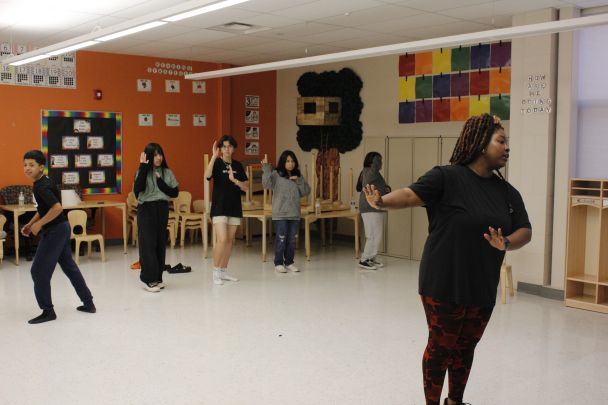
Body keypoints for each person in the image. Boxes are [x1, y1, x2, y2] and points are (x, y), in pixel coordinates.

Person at [363, 114, 532, 405]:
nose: (507, 148)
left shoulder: (506, 192)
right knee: (442, 348)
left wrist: (505, 242)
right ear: (481, 143)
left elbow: (525, 231)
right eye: (501, 141)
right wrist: (381, 202)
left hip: (482, 285)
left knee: (466, 347)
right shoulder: (446, 176)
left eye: (507, 143)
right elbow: (408, 195)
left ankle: (454, 401)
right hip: (443, 282)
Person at [21, 150, 96, 324]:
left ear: (41, 167)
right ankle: (88, 302)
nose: (27, 168)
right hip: (62, 228)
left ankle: (48, 312)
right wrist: (32, 223)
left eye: (31, 165)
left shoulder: (41, 186)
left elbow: (57, 208)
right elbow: (45, 209)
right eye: (25, 165)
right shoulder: (43, 181)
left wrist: (39, 226)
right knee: (69, 267)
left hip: (55, 230)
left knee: (38, 271)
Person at [133, 143, 179, 292]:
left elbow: (174, 192)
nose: (159, 158)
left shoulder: (167, 172)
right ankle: (148, 279)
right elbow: (137, 190)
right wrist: (144, 168)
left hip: (162, 208)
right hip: (146, 208)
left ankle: (158, 278)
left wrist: (161, 184)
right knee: (148, 244)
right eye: (155, 155)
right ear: (148, 156)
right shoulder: (141, 171)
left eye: (160, 154)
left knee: (159, 243)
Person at [204, 135, 249, 285]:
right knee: (222, 239)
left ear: (234, 148)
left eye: (229, 146)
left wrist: (234, 180)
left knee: (230, 241)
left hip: (234, 206)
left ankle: (223, 272)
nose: (227, 149)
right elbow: (207, 175)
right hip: (219, 206)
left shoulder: (237, 166)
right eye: (223, 146)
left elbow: (247, 187)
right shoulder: (216, 163)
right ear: (220, 148)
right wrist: (213, 157)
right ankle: (215, 272)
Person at [262, 150, 311, 273]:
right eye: (288, 161)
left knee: (291, 239)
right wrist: (267, 168)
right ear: (283, 162)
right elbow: (266, 185)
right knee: (281, 238)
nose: (291, 163)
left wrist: (299, 181)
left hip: (294, 213)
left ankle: (289, 262)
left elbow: (306, 192)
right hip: (280, 213)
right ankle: (278, 263)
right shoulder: (275, 174)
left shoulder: (298, 176)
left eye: (293, 161)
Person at [356, 152, 391, 270]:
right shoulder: (368, 171)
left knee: (377, 234)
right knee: (372, 235)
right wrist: (376, 158)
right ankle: (364, 260)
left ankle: (371, 258)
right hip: (369, 207)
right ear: (372, 162)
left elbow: (377, 188)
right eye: (379, 161)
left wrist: (387, 189)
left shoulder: (375, 173)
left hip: (376, 207)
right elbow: (370, 178)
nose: (381, 163)